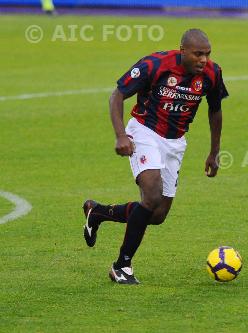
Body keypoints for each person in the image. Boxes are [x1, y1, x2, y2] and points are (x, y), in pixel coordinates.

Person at [83, 29, 228, 284]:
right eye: (198, 54)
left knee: (157, 215)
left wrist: (214, 152)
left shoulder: (212, 73)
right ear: (182, 50)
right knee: (150, 196)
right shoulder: (155, 64)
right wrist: (120, 136)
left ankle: (98, 212)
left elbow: (215, 110)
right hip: (144, 132)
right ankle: (122, 266)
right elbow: (117, 95)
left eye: (207, 54)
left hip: (175, 142)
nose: (203, 60)